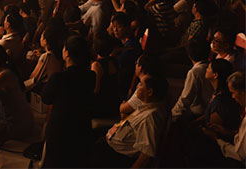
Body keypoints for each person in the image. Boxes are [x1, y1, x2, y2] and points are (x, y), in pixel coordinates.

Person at [40, 36, 95, 167]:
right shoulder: (90, 76)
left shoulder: (58, 78)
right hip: (82, 128)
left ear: (67, 53)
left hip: (60, 131)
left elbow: (45, 98)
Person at [93, 75, 168, 168]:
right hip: (113, 139)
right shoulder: (147, 105)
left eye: (141, 84)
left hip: (117, 156)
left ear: (149, 92)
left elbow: (146, 155)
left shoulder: (150, 118)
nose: (137, 86)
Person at [171, 38, 213, 121]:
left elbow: (185, 99)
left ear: (189, 55)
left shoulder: (195, 72)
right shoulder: (210, 67)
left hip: (198, 112)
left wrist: (172, 116)